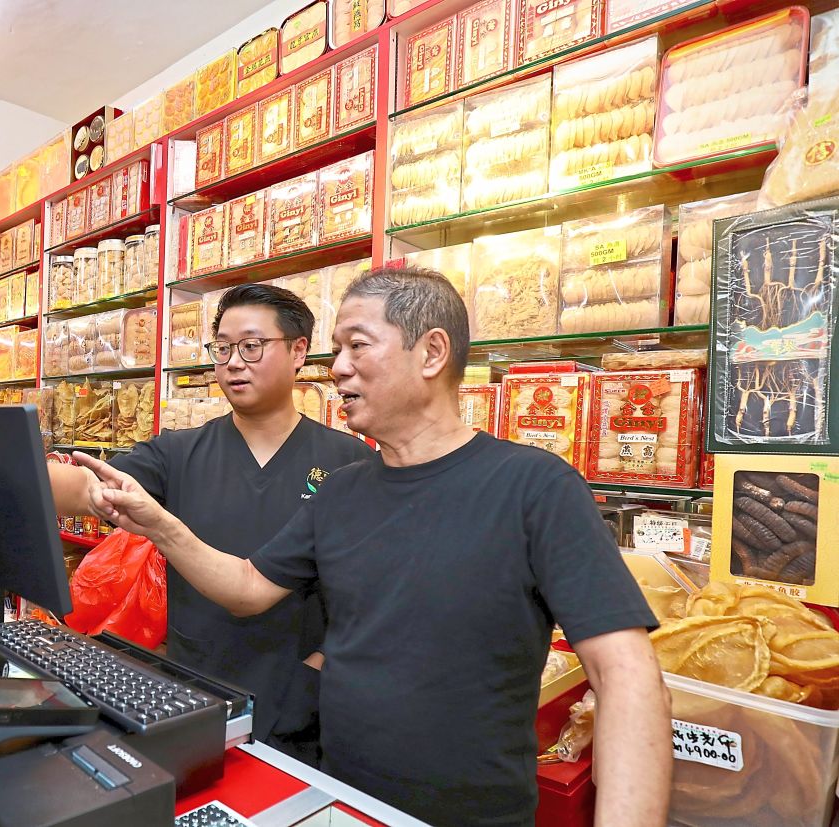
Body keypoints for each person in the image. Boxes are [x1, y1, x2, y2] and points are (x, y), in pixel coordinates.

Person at [71, 268, 674, 827]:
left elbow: (625, 676)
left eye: (359, 345)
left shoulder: (535, 487)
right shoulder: (341, 491)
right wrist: (159, 523)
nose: (337, 368)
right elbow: (250, 589)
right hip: (336, 798)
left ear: (432, 353)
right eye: (338, 349)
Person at [48, 283, 373, 764]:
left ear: (298, 351)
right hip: (190, 690)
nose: (233, 362)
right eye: (222, 348)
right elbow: (85, 486)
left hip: (299, 700)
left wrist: (316, 669)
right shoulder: (177, 452)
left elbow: (362, 594)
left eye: (251, 346)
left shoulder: (346, 459)